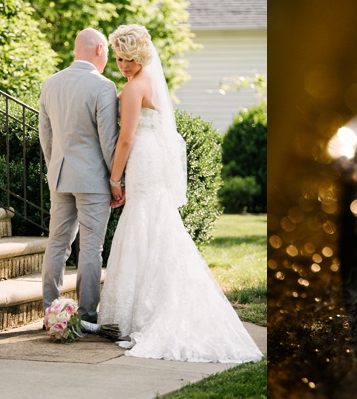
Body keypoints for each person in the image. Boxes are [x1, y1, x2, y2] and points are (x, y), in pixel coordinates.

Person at [97, 23, 263, 363]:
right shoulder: (150, 84)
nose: (123, 65)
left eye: (129, 58)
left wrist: (115, 179)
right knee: (156, 223)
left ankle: (141, 314)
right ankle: (153, 303)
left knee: (143, 221)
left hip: (142, 158)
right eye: (119, 59)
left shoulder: (131, 89)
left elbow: (126, 139)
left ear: (141, 55)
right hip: (154, 158)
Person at [39, 28, 120, 324]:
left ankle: (51, 311)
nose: (108, 56)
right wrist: (116, 181)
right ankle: (86, 314)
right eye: (108, 51)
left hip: (59, 176)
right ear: (99, 48)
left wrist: (54, 166)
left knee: (57, 243)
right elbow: (108, 142)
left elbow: (45, 136)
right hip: (93, 181)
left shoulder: (50, 83)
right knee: (90, 247)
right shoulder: (103, 87)